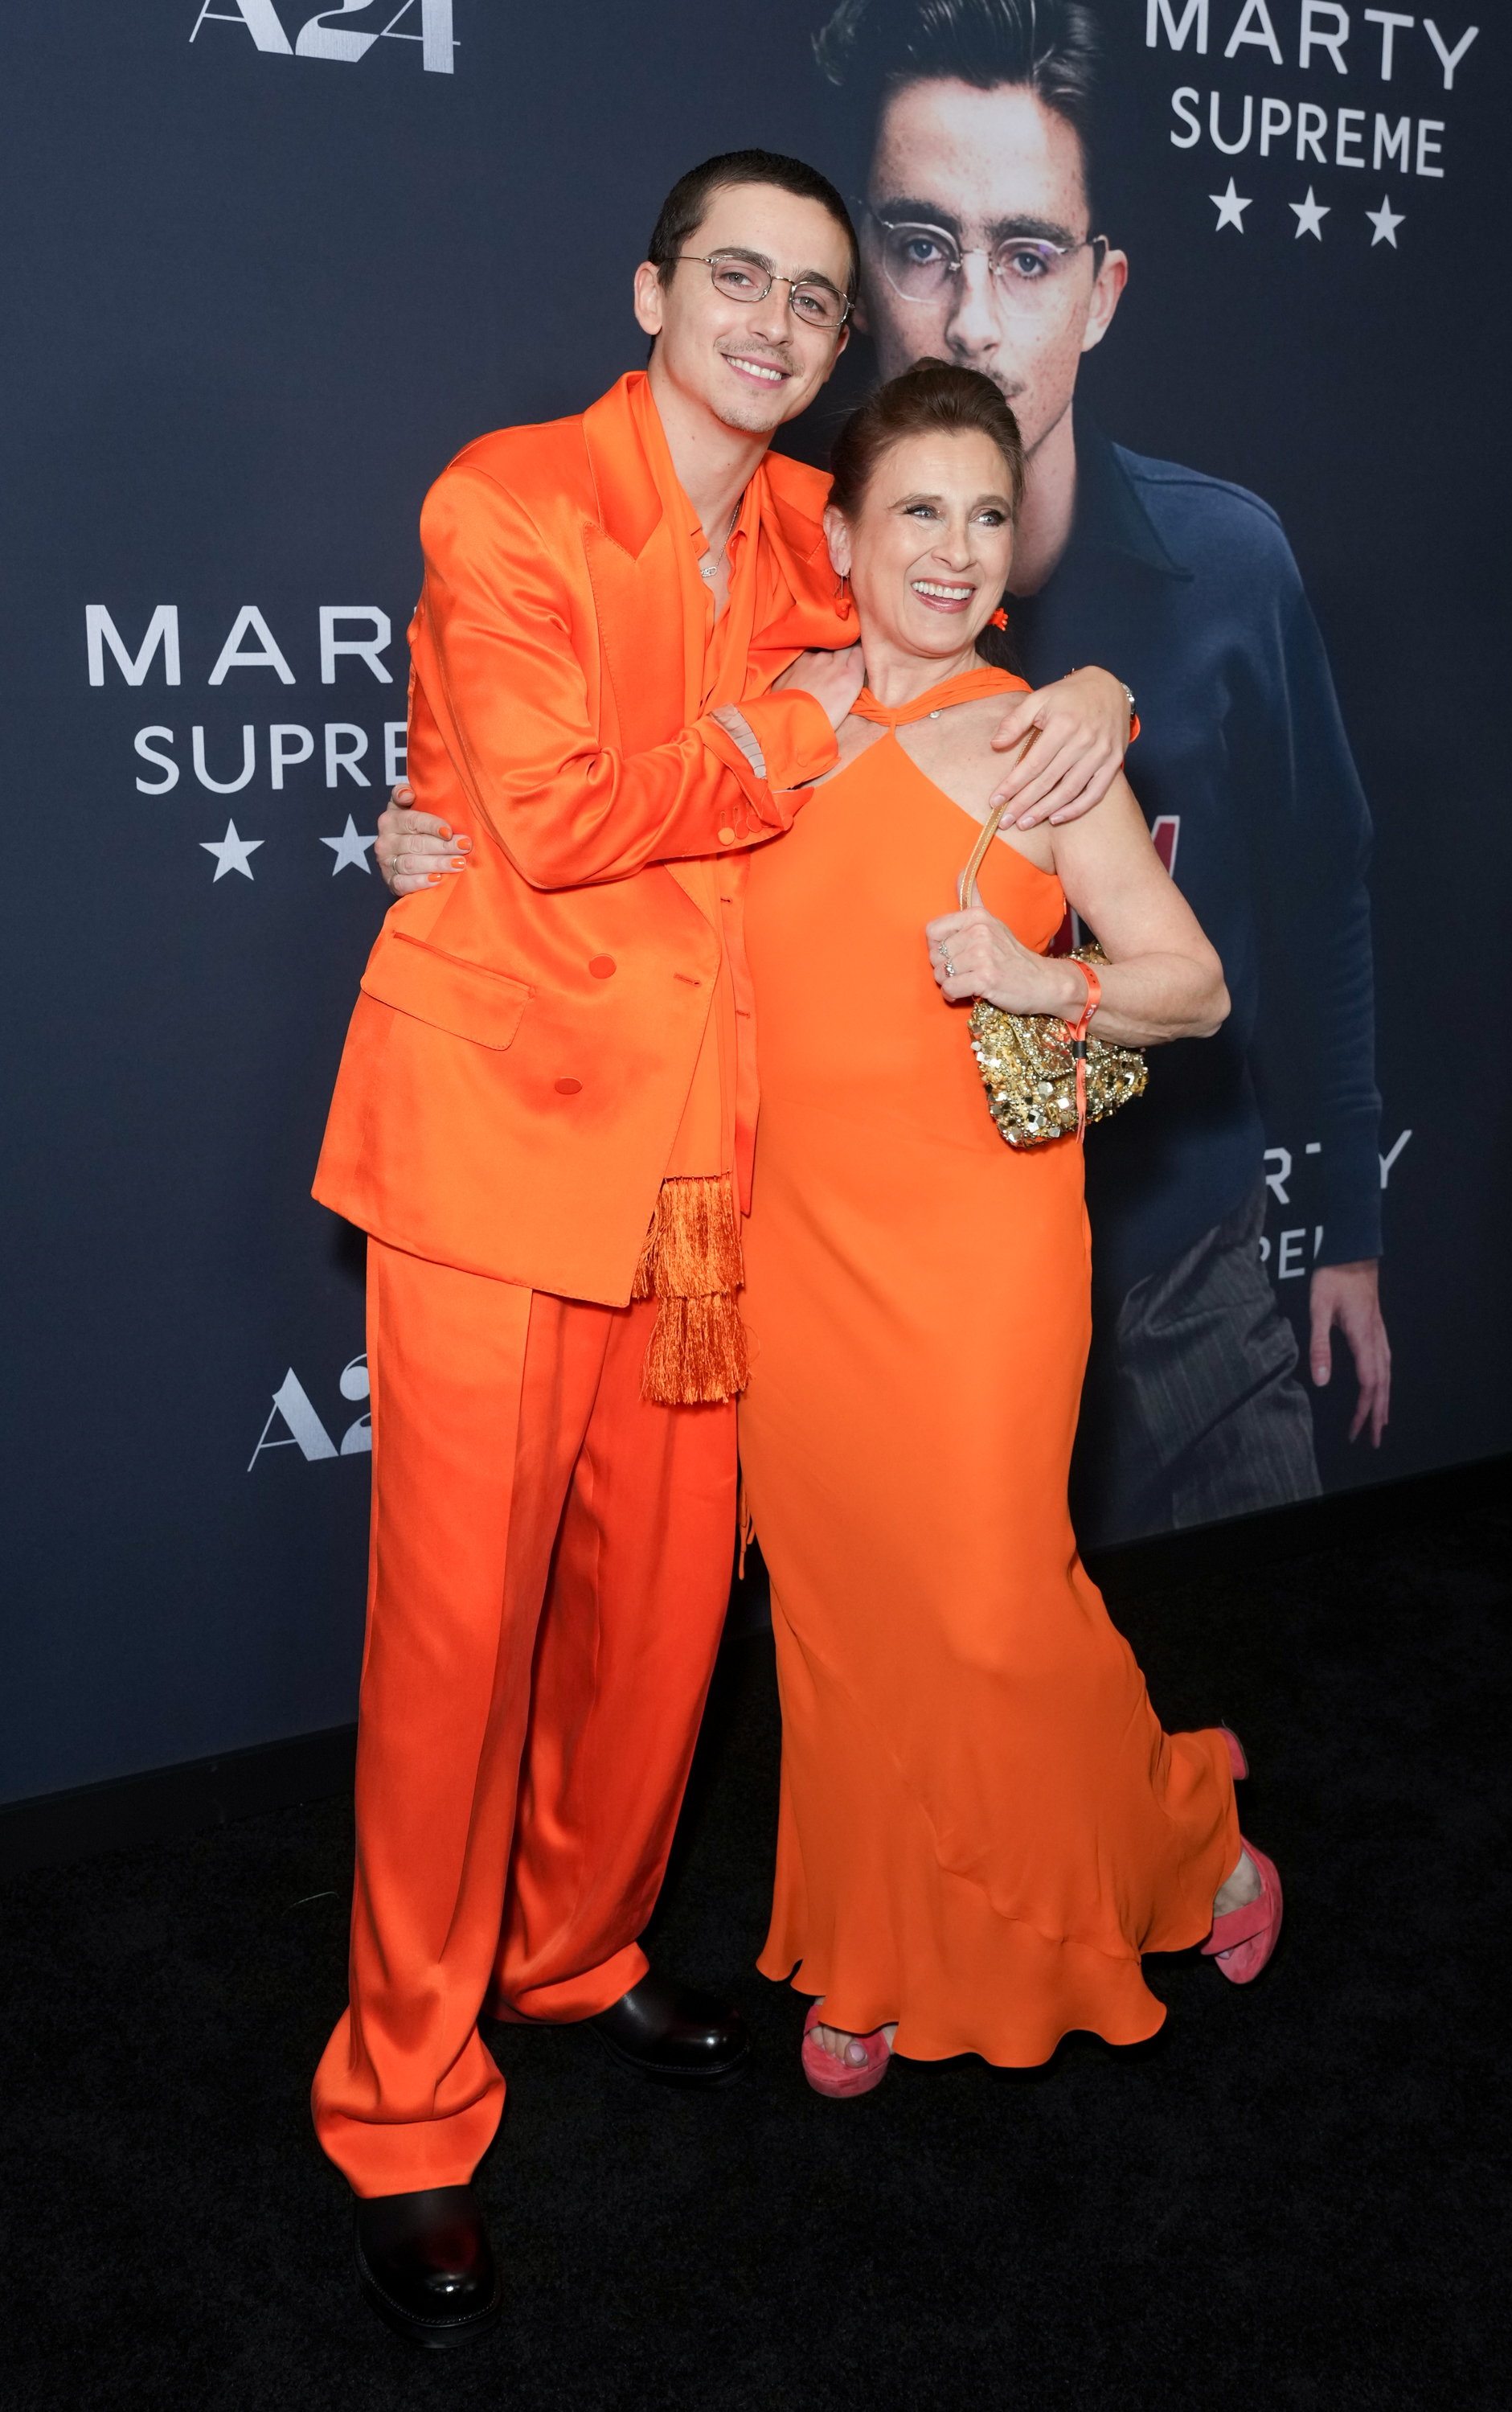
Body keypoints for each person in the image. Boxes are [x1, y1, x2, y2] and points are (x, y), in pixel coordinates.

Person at [320, 150, 1132, 2347]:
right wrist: (758, 736)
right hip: (498, 1150)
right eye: (738, 282)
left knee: (665, 1633)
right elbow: (566, 808)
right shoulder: (507, 502)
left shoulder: (803, 517)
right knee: (455, 1657)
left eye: (811, 300)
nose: (778, 324)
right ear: (655, 289)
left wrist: (1093, 713)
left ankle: (574, 1958)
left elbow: (958, 639)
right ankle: (402, 2105)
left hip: (715, 1193)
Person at [736, 359, 1281, 2094]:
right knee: (836, 1618)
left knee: (984, 1605)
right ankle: (875, 1948)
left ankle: (1195, 1849)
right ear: (838, 533)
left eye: (986, 516)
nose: (956, 551)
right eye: (917, 512)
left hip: (975, 1253)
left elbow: (1188, 989)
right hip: (786, 1254)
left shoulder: (1038, 736)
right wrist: (432, 839)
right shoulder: (770, 721)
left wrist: (1041, 977)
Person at [809, 0, 1392, 1547]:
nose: (975, 323)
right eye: (923, 246)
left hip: (1192, 1287)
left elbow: (1322, 897)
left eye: (1028, 255)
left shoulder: (1230, 564)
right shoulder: (781, 586)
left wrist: (1351, 1227)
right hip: (910, 1301)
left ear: (1103, 288)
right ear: (860, 275)